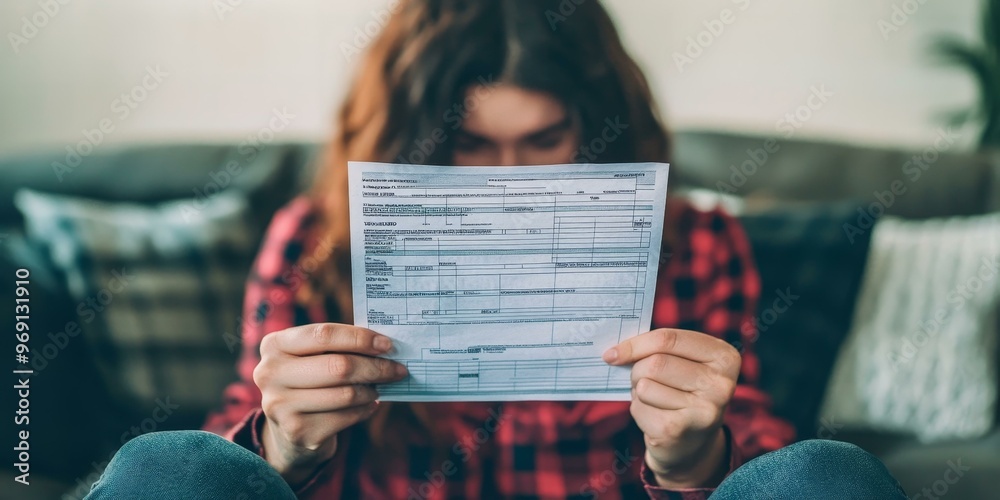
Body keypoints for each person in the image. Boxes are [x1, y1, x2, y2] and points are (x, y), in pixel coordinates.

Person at [86, 0, 909, 498]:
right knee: (173, 467)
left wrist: (699, 456)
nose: (509, 177)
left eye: (544, 139)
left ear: (597, 128)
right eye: (471, 146)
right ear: (412, 141)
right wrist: (282, 444)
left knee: (826, 474)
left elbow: (765, 455)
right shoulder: (314, 239)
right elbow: (228, 448)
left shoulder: (695, 243)